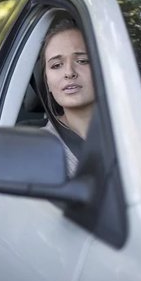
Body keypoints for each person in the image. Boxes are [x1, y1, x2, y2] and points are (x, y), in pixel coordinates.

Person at [39, 17, 95, 177]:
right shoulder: (38, 148)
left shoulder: (139, 132)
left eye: (82, 61)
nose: (69, 72)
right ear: (47, 82)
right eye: (56, 65)